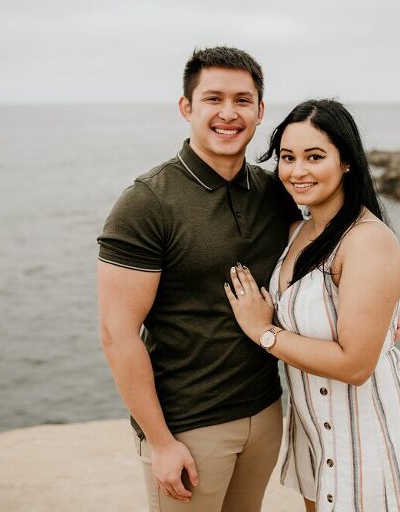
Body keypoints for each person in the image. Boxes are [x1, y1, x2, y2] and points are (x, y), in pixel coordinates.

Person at [96, 47, 302, 511]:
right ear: (186, 107)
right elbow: (117, 333)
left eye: (242, 100)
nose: (229, 113)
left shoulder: (274, 192)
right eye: (213, 98)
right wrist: (161, 442)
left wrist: (379, 306)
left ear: (260, 111)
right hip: (189, 425)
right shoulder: (147, 202)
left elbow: (324, 253)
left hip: (266, 410)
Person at [224, 99, 400, 512]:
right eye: (287, 157)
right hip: (313, 432)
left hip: (364, 438)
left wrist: (263, 332)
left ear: (346, 161)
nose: (298, 171)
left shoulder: (367, 240)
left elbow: (356, 365)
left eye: (315, 157)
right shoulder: (296, 232)